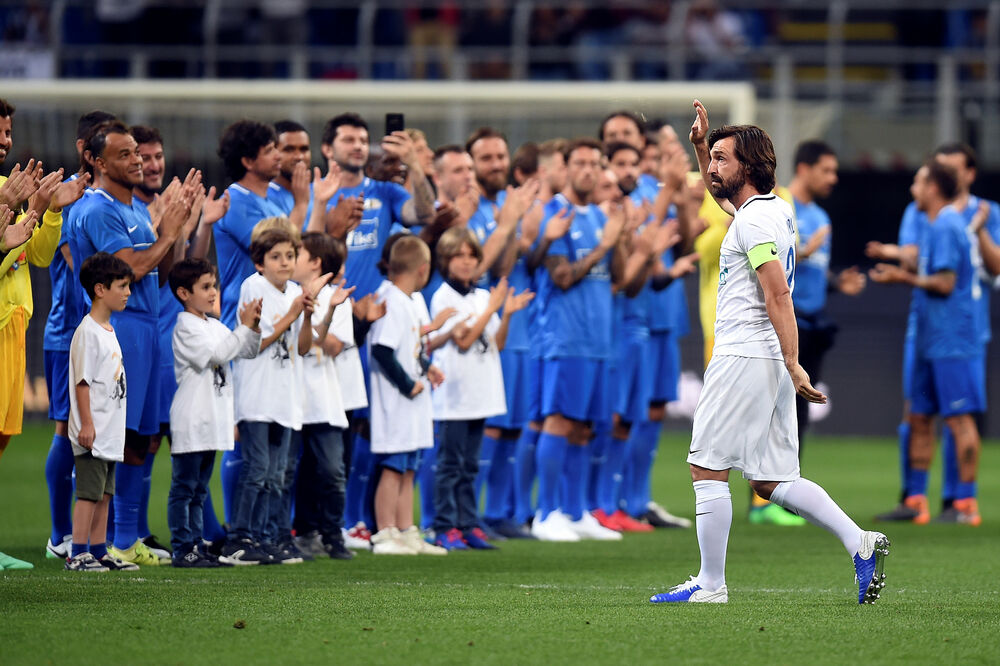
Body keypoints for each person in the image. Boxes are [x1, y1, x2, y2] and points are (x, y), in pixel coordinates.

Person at [650, 100, 888, 605]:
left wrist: (793, 360)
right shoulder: (772, 210)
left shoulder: (755, 223)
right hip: (767, 359)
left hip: (745, 354)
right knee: (771, 478)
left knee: (706, 467)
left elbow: (777, 292)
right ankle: (859, 542)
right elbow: (726, 208)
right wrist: (699, 145)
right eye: (710, 158)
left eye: (721, 159)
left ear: (750, 166)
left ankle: (711, 585)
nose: (712, 168)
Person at [73, 120, 196, 566]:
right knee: (109, 437)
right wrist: (166, 234)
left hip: (147, 325)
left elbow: (160, 270)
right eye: (125, 155)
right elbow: (127, 271)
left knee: (138, 440)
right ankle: (86, 542)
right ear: (98, 162)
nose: (137, 161)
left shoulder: (137, 211)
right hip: (119, 330)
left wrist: (176, 231)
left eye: (138, 154)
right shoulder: (99, 209)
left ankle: (122, 540)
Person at [869, 161, 985, 527]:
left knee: (959, 419)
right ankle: (916, 501)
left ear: (933, 187)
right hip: (929, 336)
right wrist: (896, 262)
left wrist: (902, 277)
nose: (913, 190)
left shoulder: (948, 224)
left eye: (918, 183)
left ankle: (965, 505)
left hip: (953, 338)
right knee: (919, 416)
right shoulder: (936, 225)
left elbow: (946, 284)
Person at [0, 97, 89, 571]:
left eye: (8, 133)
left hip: (14, 329)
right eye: (0, 134)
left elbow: (34, 255)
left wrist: (47, 212)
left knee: (1, 437)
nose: (5, 141)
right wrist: (11, 209)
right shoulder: (4, 194)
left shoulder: (5, 187)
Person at [530, 138, 628, 542]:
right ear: (565, 168)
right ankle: (544, 512)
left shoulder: (599, 216)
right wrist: (603, 245)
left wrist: (618, 236)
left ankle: (575, 510)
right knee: (559, 421)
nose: (588, 170)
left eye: (594, 163)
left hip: (598, 337)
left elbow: (618, 277)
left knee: (584, 428)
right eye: (580, 164)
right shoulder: (554, 212)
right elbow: (562, 277)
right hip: (565, 335)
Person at [221, 226, 324, 565]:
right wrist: (293, 314)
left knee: (279, 476)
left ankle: (271, 537)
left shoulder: (294, 291)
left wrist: (307, 317)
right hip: (258, 397)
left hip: (286, 398)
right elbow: (254, 345)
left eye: (290, 256)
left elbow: (305, 347)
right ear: (259, 263)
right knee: (258, 470)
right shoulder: (254, 287)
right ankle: (240, 538)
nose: (284, 262)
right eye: (275, 257)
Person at [430, 227, 533, 550]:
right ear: (445, 261)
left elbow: (496, 344)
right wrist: (491, 310)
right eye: (458, 256)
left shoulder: (481, 296)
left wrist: (506, 316)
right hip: (454, 394)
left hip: (481, 392)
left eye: (471, 255)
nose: (465, 262)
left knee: (471, 465)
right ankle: (444, 526)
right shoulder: (443, 297)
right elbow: (462, 342)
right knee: (450, 464)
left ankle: (468, 523)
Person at [212, 119, 288, 524]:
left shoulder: (277, 196)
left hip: (280, 321)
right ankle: (236, 526)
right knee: (245, 432)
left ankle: (266, 527)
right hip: (245, 325)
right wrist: (312, 205)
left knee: (273, 430)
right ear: (247, 159)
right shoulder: (235, 201)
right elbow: (279, 243)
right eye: (270, 148)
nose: (279, 155)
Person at [43, 111, 110, 561]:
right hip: (69, 330)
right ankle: (60, 534)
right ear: (88, 152)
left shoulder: (108, 200)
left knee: (97, 429)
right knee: (67, 428)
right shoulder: (70, 197)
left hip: (96, 332)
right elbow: (78, 265)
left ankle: (96, 534)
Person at [166, 258, 261, 568]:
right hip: (193, 418)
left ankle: (196, 543)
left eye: (214, 286)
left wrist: (253, 327)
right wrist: (244, 327)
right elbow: (218, 355)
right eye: (205, 287)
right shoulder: (185, 327)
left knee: (199, 488)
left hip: (211, 420)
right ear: (183, 293)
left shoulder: (214, 324)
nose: (212, 292)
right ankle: (183, 547)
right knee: (185, 487)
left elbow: (246, 350)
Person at [781, 140, 866, 448]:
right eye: (826, 170)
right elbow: (768, 265)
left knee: (800, 410)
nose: (833, 178)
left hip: (813, 327)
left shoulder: (821, 218)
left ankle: (788, 488)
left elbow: (813, 273)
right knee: (777, 408)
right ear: (804, 169)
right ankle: (761, 494)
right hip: (784, 325)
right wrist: (800, 253)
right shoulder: (780, 206)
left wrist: (835, 282)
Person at [367, 235, 446, 555]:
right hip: (396, 401)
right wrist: (406, 383)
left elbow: (408, 348)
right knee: (394, 465)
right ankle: (385, 531)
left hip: (413, 399)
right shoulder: (392, 301)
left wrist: (426, 367)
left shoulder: (409, 300)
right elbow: (383, 351)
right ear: (424, 269)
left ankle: (405, 529)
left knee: (409, 464)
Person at [65, 252, 137, 572]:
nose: (127, 293)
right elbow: (82, 384)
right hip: (92, 431)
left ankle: (97, 550)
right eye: (121, 286)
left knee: (106, 494)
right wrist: (87, 425)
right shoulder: (88, 332)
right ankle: (77, 552)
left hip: (109, 429)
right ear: (99, 289)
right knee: (89, 494)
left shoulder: (108, 329)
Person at [290, 232, 356, 560]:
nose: (289, 260)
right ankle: (296, 533)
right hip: (288, 398)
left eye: (296, 254)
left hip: (324, 400)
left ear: (315, 263)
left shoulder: (337, 297)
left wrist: (314, 318)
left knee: (331, 471)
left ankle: (333, 535)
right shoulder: (286, 294)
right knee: (288, 472)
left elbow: (334, 345)